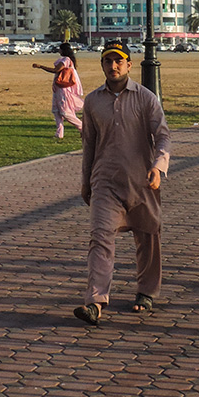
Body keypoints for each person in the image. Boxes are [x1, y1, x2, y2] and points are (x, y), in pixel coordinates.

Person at [73, 41, 171, 325]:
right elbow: (89, 143)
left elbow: (163, 136)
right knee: (100, 238)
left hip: (142, 181)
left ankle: (146, 291)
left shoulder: (146, 98)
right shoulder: (92, 101)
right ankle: (95, 301)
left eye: (119, 61)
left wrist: (158, 167)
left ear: (129, 64)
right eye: (108, 61)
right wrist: (86, 181)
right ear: (102, 65)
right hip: (105, 182)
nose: (113, 66)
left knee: (148, 236)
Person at [32, 42, 84, 140]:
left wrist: (41, 66)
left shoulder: (66, 60)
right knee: (56, 111)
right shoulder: (66, 60)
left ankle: (83, 128)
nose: (59, 51)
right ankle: (59, 133)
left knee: (65, 113)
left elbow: (56, 70)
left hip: (64, 90)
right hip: (58, 89)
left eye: (60, 49)